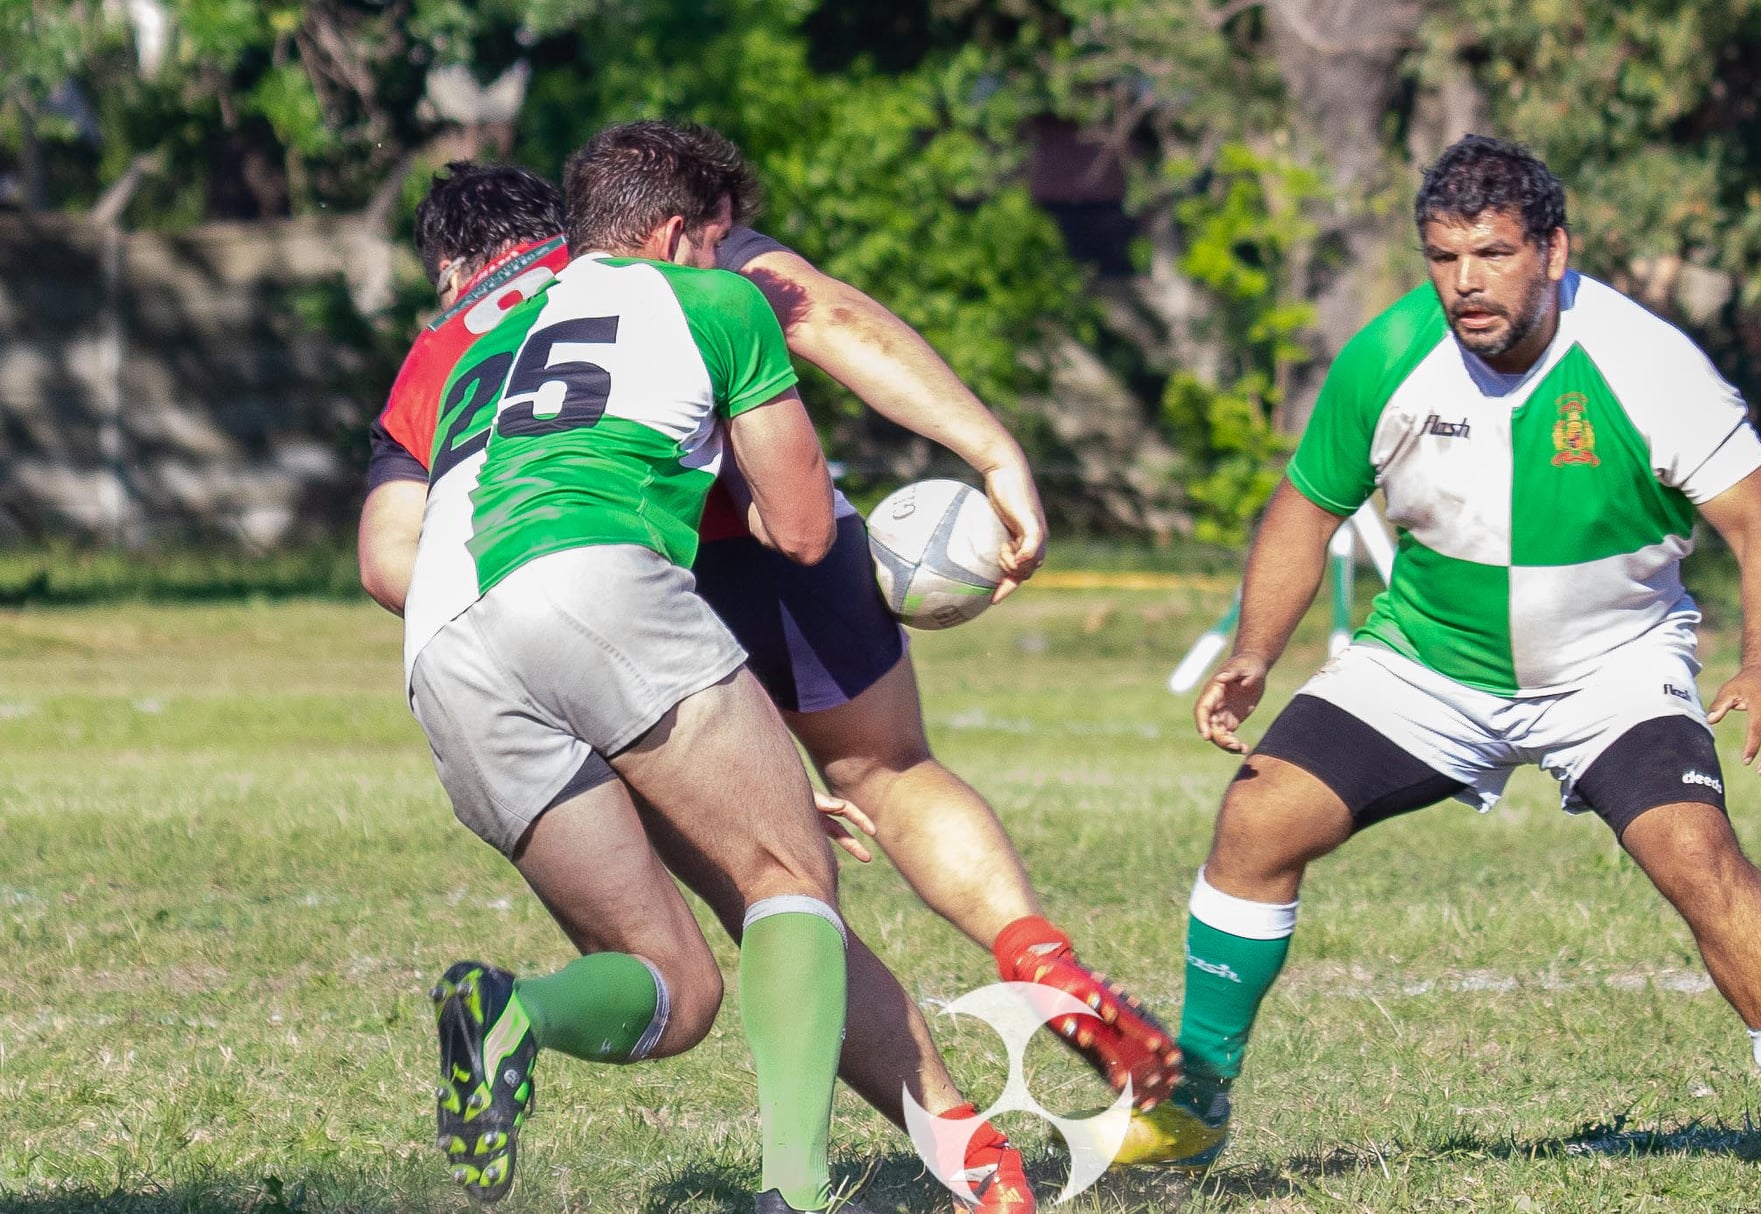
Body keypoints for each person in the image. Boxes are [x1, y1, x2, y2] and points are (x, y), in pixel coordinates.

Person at [1115, 135, 1761, 1187]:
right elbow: (1305, 507)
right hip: (1428, 665)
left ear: (1552, 249)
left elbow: (1760, 522)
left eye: (1490, 252)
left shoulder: (1646, 362)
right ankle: (1192, 1103)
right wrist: (1255, 651)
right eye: (1441, 256)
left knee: (1690, 850)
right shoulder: (1387, 356)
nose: (1464, 282)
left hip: (1612, 666)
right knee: (1257, 813)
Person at [360, 140, 1180, 1109]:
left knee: (771, 892)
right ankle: (1036, 954)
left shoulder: (444, 346)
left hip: (593, 590)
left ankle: (965, 1146)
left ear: (451, 266)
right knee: (888, 769)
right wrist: (990, 451)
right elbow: (828, 316)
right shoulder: (668, 261)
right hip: (768, 532)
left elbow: (389, 561)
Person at [405, 122, 918, 1214]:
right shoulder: (716, 302)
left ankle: (514, 1015)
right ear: (683, 232)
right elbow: (794, 528)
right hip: (587, 574)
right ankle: (797, 1199)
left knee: (674, 989)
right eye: (717, 242)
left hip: (441, 646)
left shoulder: (486, 337)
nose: (723, 263)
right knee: (787, 872)